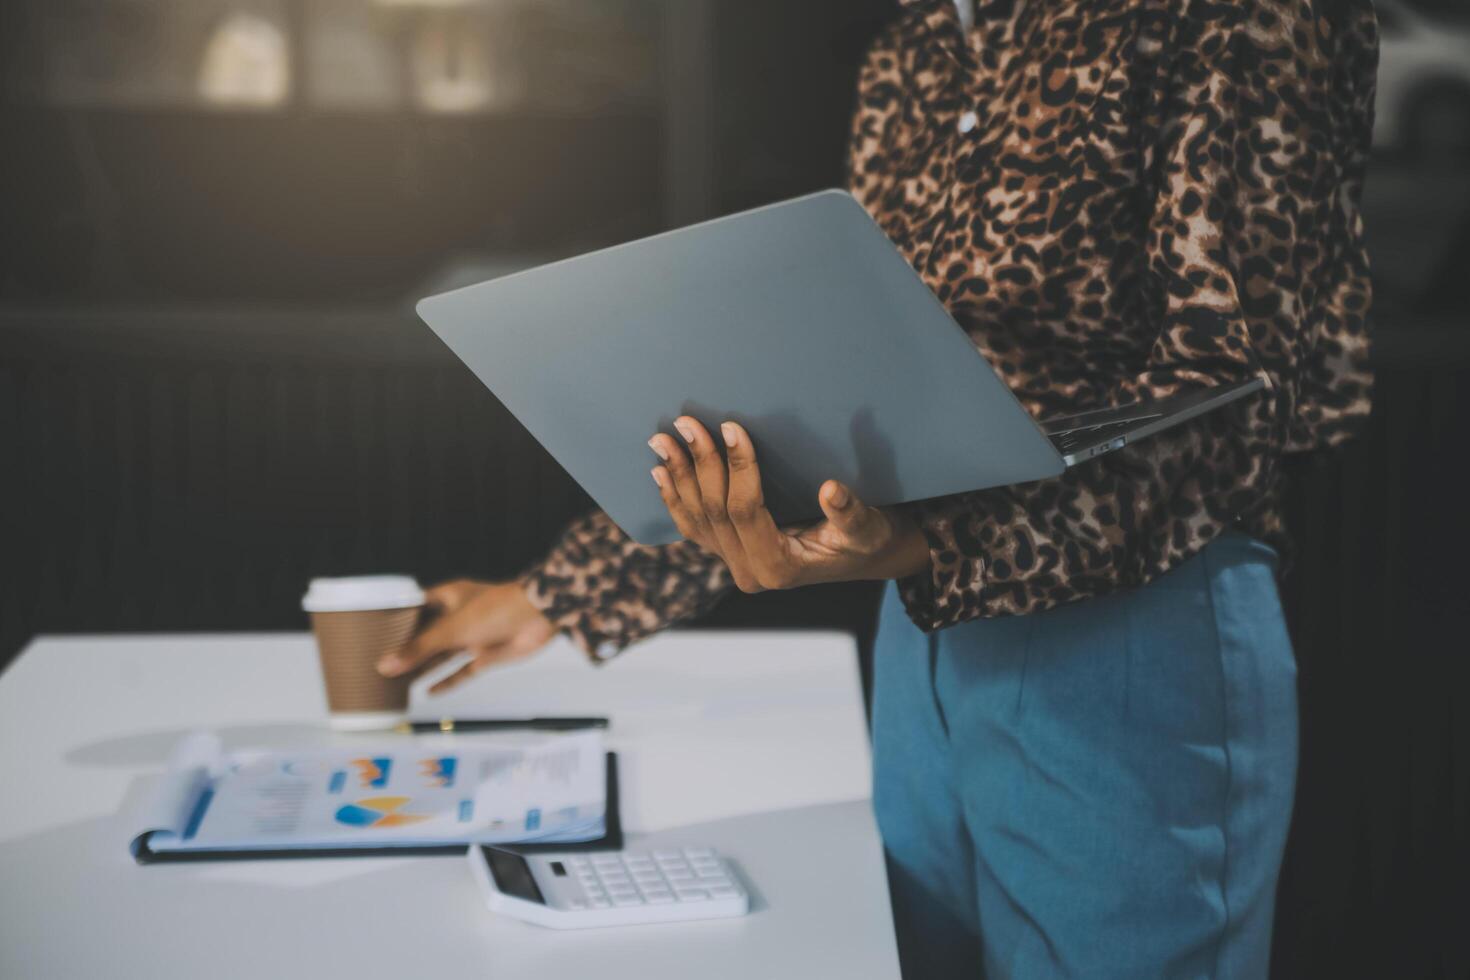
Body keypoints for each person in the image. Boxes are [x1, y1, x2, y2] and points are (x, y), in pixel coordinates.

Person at [378, 0, 1378, 975]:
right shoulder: (916, 49)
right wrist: (561, 592)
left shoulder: (1242, 15)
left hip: (1135, 637)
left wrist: (930, 545)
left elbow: (1233, 401)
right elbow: (863, 387)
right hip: (923, 639)